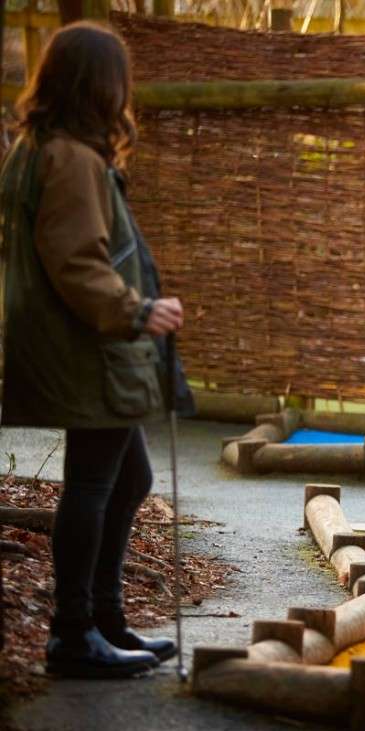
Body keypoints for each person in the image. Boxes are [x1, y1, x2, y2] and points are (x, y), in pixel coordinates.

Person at [0, 22, 191, 679]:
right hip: (85, 344)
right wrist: (137, 310)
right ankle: (74, 633)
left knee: (127, 476)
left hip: (76, 341)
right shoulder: (71, 159)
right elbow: (77, 262)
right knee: (92, 480)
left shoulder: (42, 147)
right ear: (99, 84)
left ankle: (104, 619)